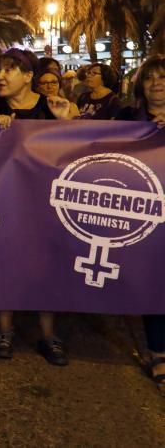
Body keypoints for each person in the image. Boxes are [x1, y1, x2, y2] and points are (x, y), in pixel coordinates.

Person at [0, 48, 74, 365]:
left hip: (44, 201)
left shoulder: (55, 106)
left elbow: (79, 152)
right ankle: (5, 331)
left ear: (28, 76)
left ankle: (48, 335)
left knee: (45, 264)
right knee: (5, 261)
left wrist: (65, 122)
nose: (0, 76)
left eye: (9, 70)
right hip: (3, 199)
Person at [113, 56, 165, 391]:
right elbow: (94, 139)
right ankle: (159, 352)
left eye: (163, 77)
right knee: (154, 279)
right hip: (146, 210)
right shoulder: (129, 118)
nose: (157, 83)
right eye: (149, 79)